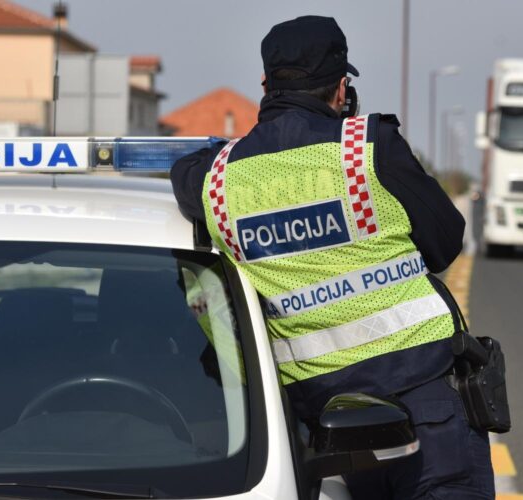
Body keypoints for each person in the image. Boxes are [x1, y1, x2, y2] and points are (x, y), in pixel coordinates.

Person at [171, 15, 494, 499]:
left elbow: (184, 172)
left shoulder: (214, 181)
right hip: (424, 397)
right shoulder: (367, 148)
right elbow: (446, 241)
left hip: (325, 422)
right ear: (342, 88)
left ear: (265, 85)